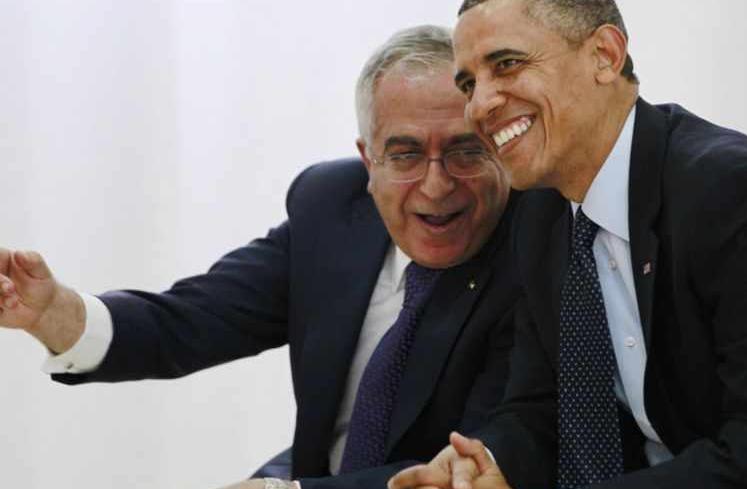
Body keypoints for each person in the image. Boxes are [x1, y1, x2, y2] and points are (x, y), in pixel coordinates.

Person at [0, 25, 519, 489]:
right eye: (405, 155)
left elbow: (477, 461)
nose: (436, 184)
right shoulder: (330, 207)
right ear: (368, 160)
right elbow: (189, 321)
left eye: (465, 151)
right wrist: (55, 313)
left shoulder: (536, 249)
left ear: (497, 146)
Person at [389, 1, 747, 488]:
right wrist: (491, 463)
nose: (480, 106)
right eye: (469, 83)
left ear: (605, 54)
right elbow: (543, 410)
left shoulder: (738, 197)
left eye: (507, 64)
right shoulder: (540, 213)